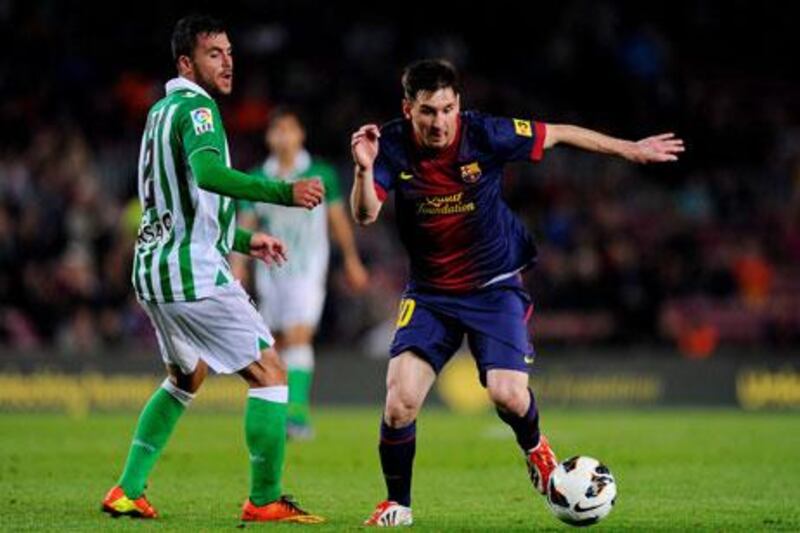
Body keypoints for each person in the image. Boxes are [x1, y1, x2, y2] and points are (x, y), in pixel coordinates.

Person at [350, 59, 684, 526]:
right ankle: (397, 504)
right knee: (400, 401)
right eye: (428, 111)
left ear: (458, 105)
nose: (439, 122)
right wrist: (364, 171)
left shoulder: (486, 133)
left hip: (493, 286)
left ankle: (536, 448)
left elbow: (561, 132)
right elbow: (365, 215)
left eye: (447, 109)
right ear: (408, 109)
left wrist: (630, 149)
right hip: (430, 294)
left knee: (507, 394)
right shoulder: (388, 146)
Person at [100, 14, 325, 524]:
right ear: (187, 63)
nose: (227, 62)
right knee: (271, 372)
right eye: (213, 54)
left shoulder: (161, 111)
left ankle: (127, 490)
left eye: (229, 52)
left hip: (153, 269)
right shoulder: (199, 110)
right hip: (191, 273)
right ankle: (265, 499)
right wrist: (282, 193)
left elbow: (184, 202)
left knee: (187, 376)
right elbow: (208, 175)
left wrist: (246, 239)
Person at [234, 107, 368, 439]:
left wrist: (351, 259)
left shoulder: (321, 174)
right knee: (277, 341)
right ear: (269, 137)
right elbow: (246, 224)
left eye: (289, 130)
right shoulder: (257, 177)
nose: (283, 137)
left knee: (298, 335)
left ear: (300, 135)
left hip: (308, 269)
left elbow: (337, 219)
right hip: (272, 272)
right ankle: (280, 410)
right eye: (277, 131)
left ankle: (296, 416)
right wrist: (238, 266)